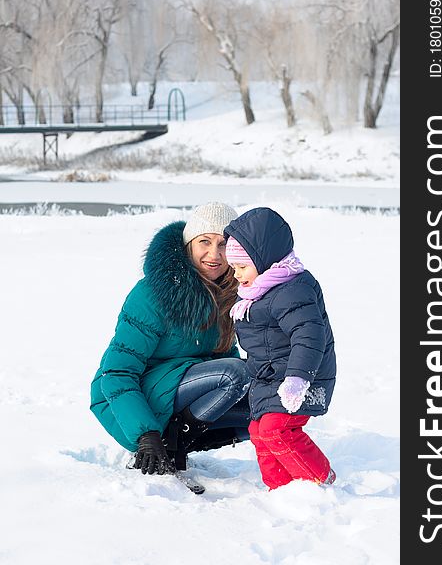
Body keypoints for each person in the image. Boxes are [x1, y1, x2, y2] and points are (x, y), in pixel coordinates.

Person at [90, 202, 251, 475]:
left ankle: (179, 442)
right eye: (205, 242)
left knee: (264, 409)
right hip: (127, 398)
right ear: (189, 244)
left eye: (223, 244)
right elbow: (116, 372)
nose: (214, 254)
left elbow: (225, 357)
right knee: (234, 375)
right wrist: (146, 434)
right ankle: (167, 442)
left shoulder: (228, 294)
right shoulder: (153, 294)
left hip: (183, 390)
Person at [224, 206, 337, 490]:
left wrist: (298, 379)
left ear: (263, 260)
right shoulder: (259, 292)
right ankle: (281, 490)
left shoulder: (292, 289)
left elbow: (310, 335)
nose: (236, 275)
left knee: (277, 429)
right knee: (259, 432)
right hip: (270, 379)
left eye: (241, 267)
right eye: (234, 267)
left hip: (301, 379)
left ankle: (319, 481)